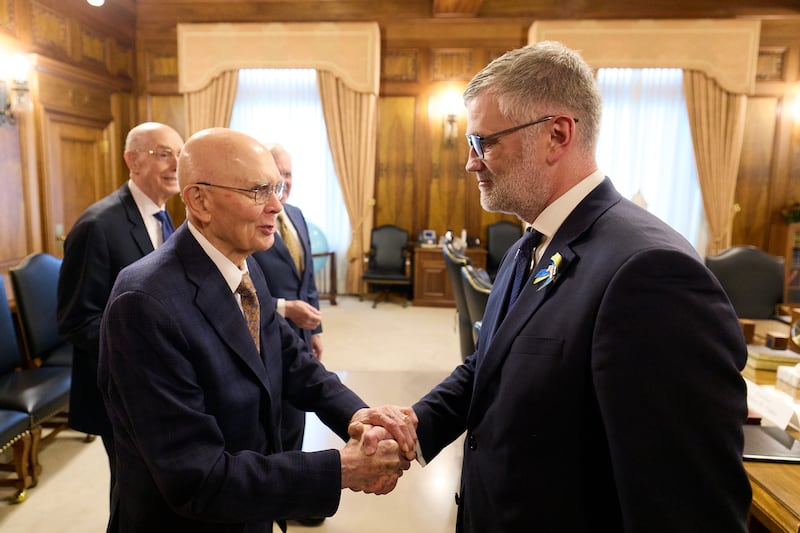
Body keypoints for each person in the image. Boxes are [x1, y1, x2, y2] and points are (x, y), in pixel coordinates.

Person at [405, 41, 753, 532]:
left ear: (557, 134)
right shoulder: (531, 242)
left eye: (484, 142)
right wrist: (415, 425)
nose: (471, 162)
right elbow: (491, 363)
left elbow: (686, 505)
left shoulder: (651, 273)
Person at [97, 127, 415, 532]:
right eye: (258, 191)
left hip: (250, 510)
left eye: (277, 187)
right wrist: (341, 469)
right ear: (200, 201)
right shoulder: (144, 303)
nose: (277, 206)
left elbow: (289, 358)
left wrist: (357, 414)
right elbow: (197, 478)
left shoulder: (246, 265)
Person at [57, 121, 184, 499]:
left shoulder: (164, 216)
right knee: (132, 494)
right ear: (133, 161)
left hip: (161, 385)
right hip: (121, 390)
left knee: (158, 490)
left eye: (180, 154)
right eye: (164, 154)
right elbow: (77, 321)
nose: (175, 164)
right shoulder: (97, 226)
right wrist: (149, 350)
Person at [252, 144, 322, 449]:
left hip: (301, 337)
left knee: (298, 413)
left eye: (289, 174)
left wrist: (315, 331)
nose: (285, 181)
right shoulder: (251, 221)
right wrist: (283, 308)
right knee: (272, 420)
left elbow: (308, 279)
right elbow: (238, 288)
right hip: (263, 333)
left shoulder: (296, 215)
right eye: (278, 174)